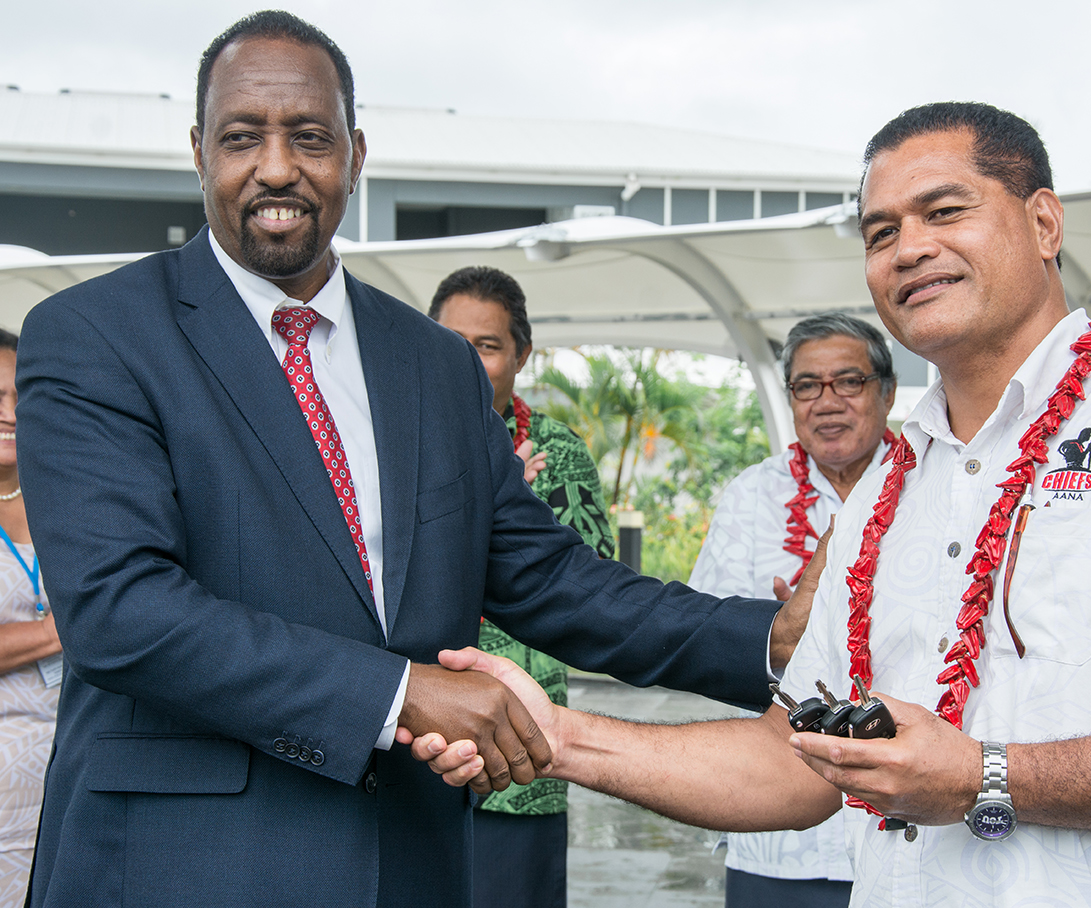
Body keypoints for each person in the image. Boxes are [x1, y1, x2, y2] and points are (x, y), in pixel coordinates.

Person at [417, 102, 1091, 908]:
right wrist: (560, 734)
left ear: (1046, 221)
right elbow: (794, 761)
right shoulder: (894, 490)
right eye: (879, 231)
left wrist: (986, 777)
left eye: (945, 211)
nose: (910, 247)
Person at [13, 12, 799, 907]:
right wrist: (398, 695)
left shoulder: (434, 363)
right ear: (199, 151)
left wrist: (764, 638)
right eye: (242, 138)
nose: (276, 167)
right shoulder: (94, 336)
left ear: (354, 152)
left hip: (408, 861)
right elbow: (121, 613)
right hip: (182, 864)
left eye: (309, 137)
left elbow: (546, 576)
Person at [688, 311, 896, 907]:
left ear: (884, 392)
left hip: (907, 823)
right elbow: (709, 637)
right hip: (779, 832)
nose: (826, 401)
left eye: (847, 381)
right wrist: (774, 632)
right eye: (808, 385)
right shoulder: (752, 496)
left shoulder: (928, 483)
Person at [430, 265, 616, 908]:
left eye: (487, 345)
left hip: (520, 739)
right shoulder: (394, 442)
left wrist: (515, 510)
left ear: (521, 355)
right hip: (414, 731)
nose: (468, 361)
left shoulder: (557, 451)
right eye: (450, 341)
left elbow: (589, 585)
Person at [0, 329, 60, 906]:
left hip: (71, 761)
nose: (9, 414)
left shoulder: (61, 493)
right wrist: (56, 631)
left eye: (18, 396)